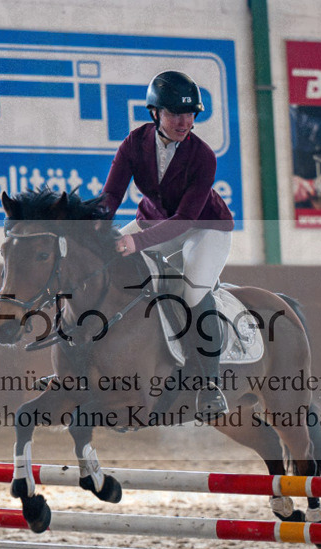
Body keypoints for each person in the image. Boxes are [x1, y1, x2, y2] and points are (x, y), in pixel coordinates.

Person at [99, 70, 234, 417]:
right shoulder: (133, 143)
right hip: (155, 218)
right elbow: (112, 194)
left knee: (191, 292)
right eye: (175, 113)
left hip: (205, 228)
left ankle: (209, 383)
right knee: (105, 263)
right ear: (155, 113)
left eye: (190, 114)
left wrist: (137, 241)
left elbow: (186, 220)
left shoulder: (203, 155)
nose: (184, 121)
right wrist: (96, 227)